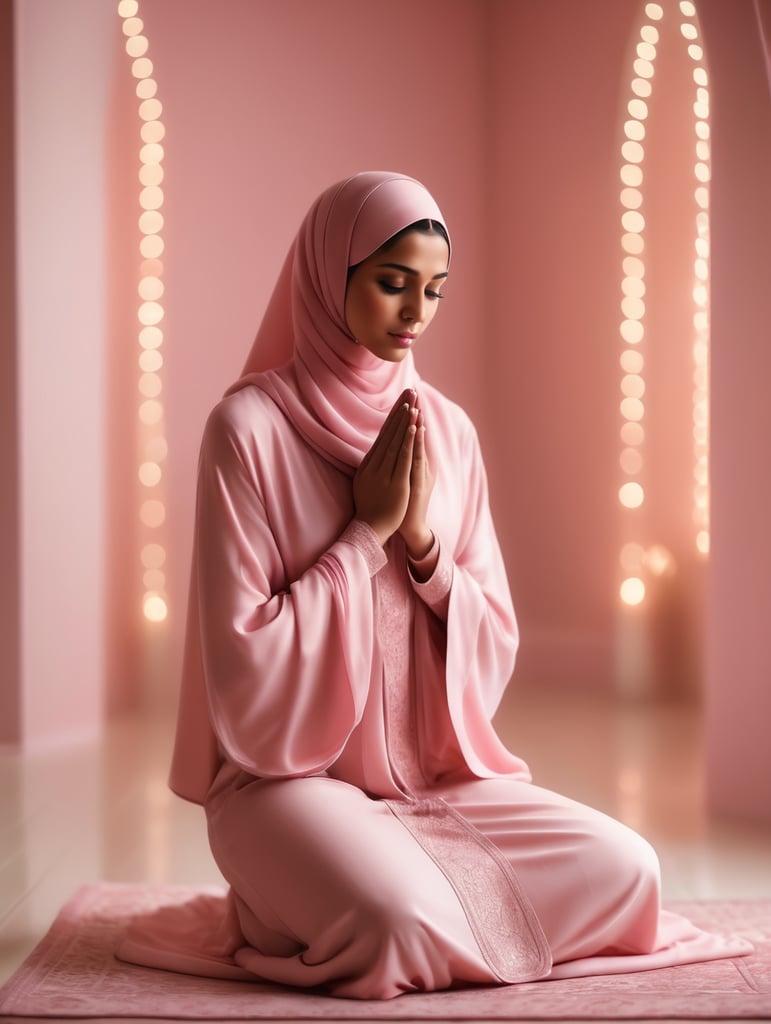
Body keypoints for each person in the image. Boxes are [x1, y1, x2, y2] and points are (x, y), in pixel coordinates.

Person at [120, 171, 751, 999]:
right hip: (285, 786)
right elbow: (243, 663)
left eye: (434, 290)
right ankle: (314, 889)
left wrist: (421, 546)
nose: (415, 312)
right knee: (390, 923)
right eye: (391, 283)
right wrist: (364, 535)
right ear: (326, 275)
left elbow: (493, 636)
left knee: (629, 870)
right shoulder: (246, 430)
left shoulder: (445, 429)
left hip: (434, 777)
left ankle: (361, 893)